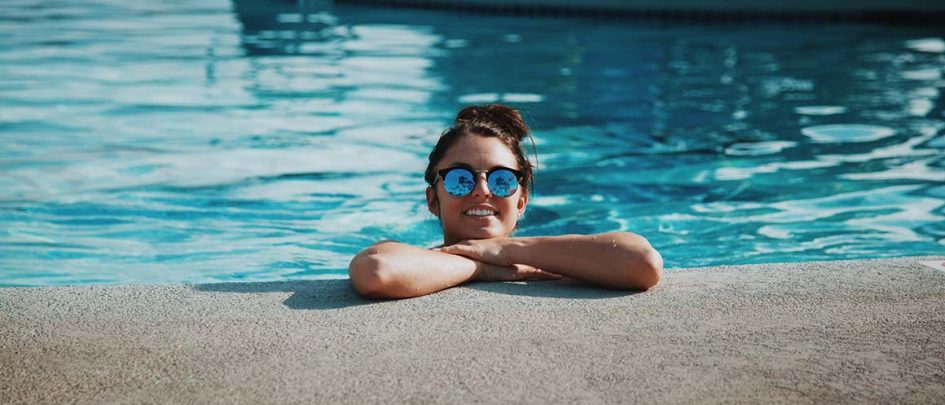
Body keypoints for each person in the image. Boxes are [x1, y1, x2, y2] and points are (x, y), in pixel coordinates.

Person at [348, 104, 662, 299]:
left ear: (521, 200)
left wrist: (505, 250)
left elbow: (642, 262)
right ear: (433, 199)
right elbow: (377, 271)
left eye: (501, 180)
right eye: (461, 179)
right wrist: (482, 268)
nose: (482, 190)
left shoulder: (563, 258)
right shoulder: (410, 258)